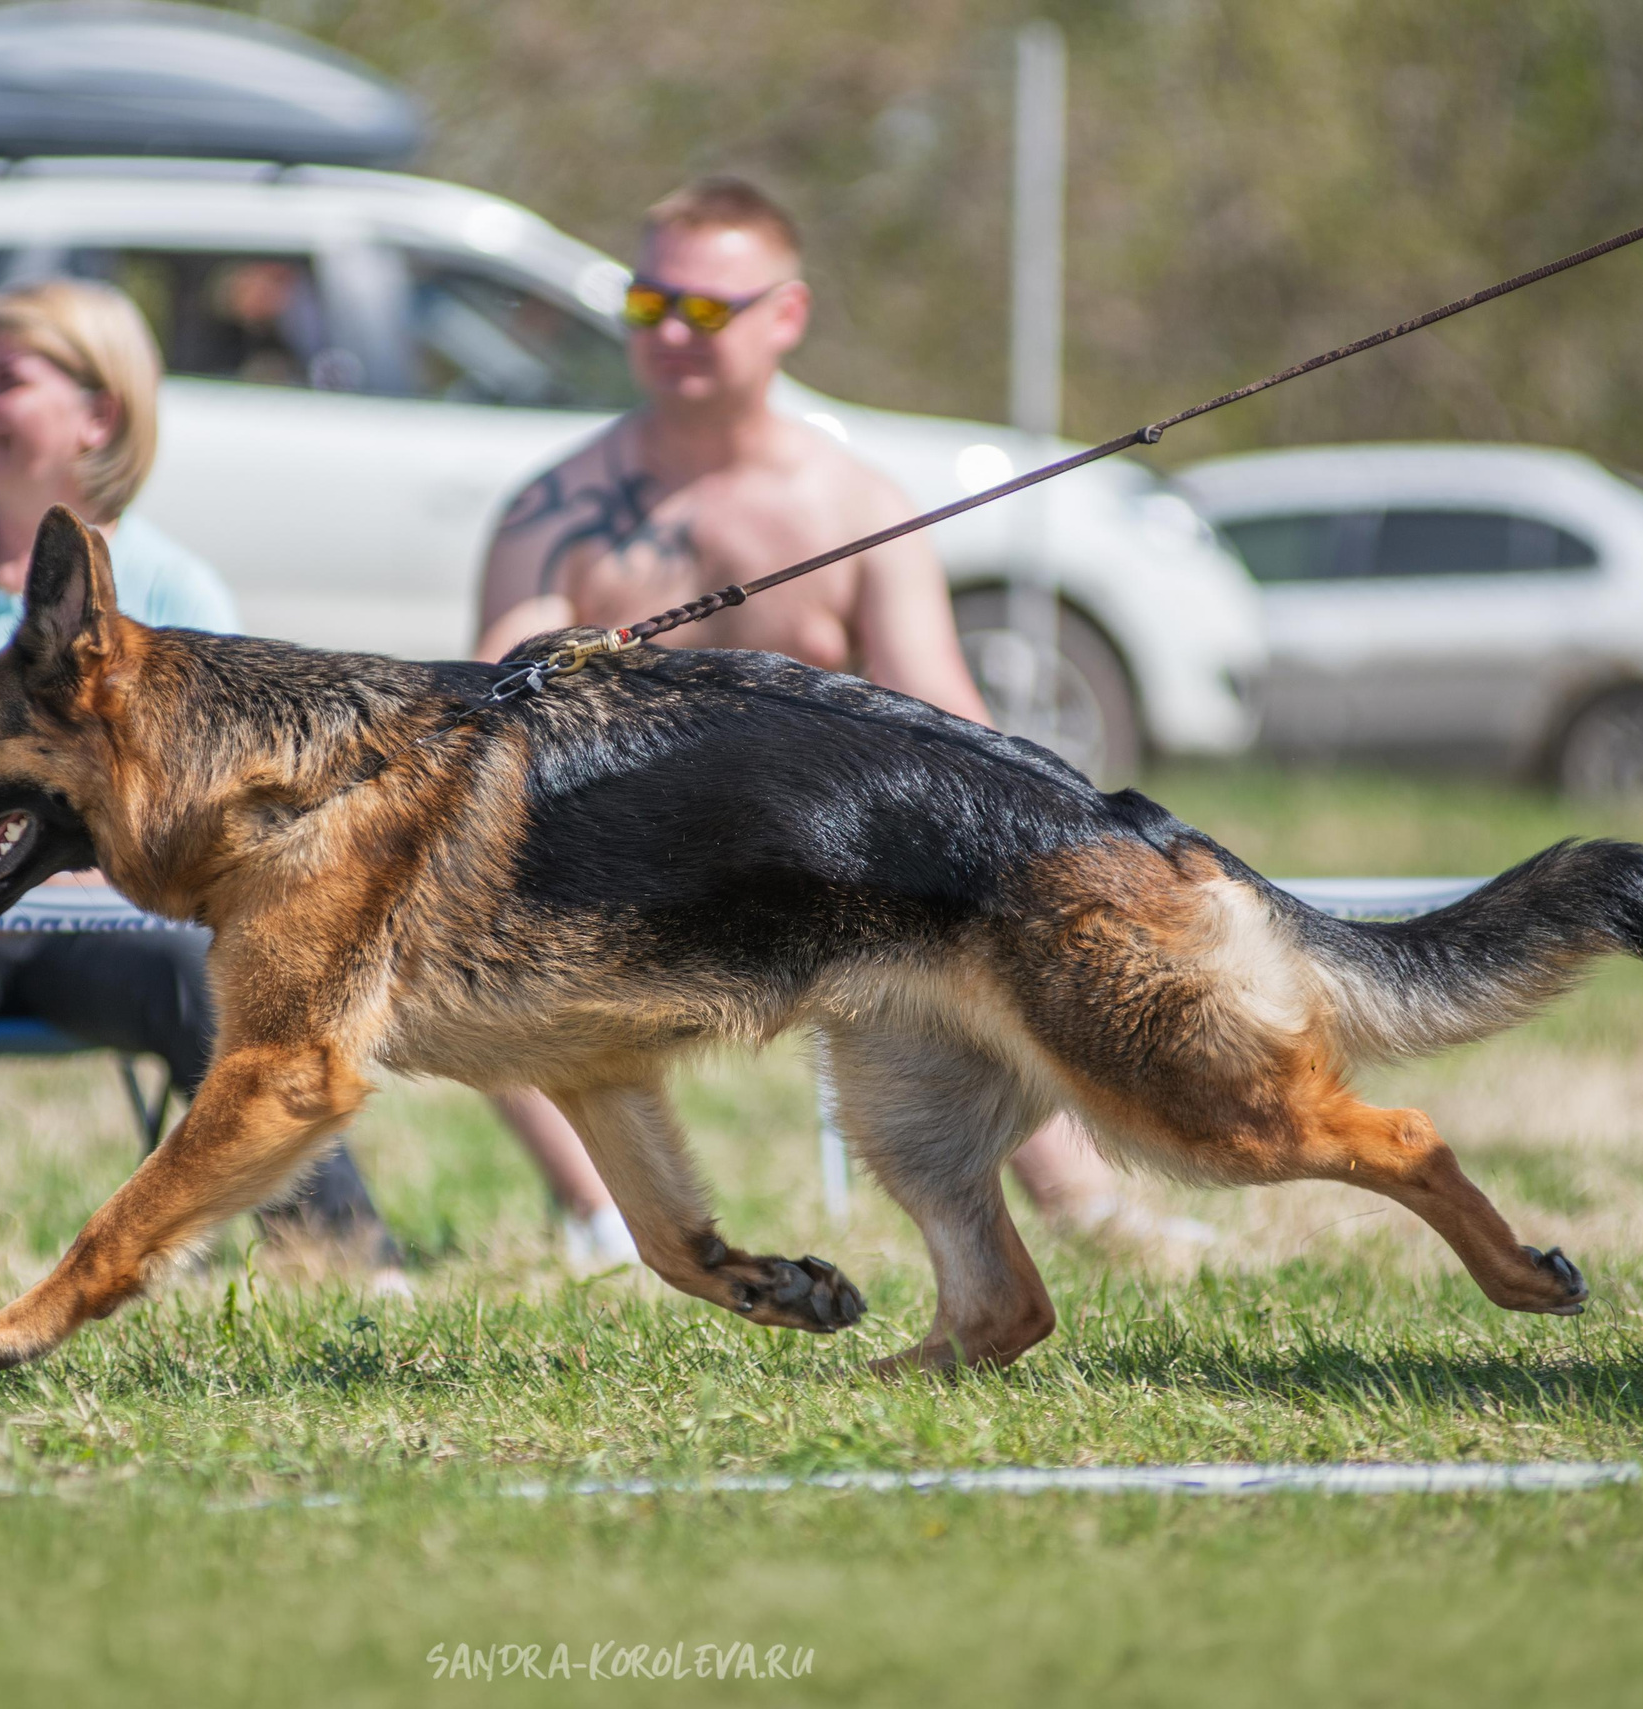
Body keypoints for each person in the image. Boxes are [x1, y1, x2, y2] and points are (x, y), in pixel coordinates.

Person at [476, 177, 1209, 1258]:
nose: (672, 332)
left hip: (814, 869)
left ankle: (1088, 1205)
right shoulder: (554, 513)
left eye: (706, 308)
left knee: (977, 910)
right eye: (648, 304)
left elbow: (942, 717)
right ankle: (606, 1221)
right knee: (470, 933)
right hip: (621, 867)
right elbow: (489, 717)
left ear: (788, 314)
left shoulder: (855, 505)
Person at [0, 278, 403, 1318]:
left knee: (219, 980)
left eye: (6, 380)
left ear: (100, 412)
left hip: (110, 923)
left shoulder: (175, 591)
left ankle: (350, 1255)